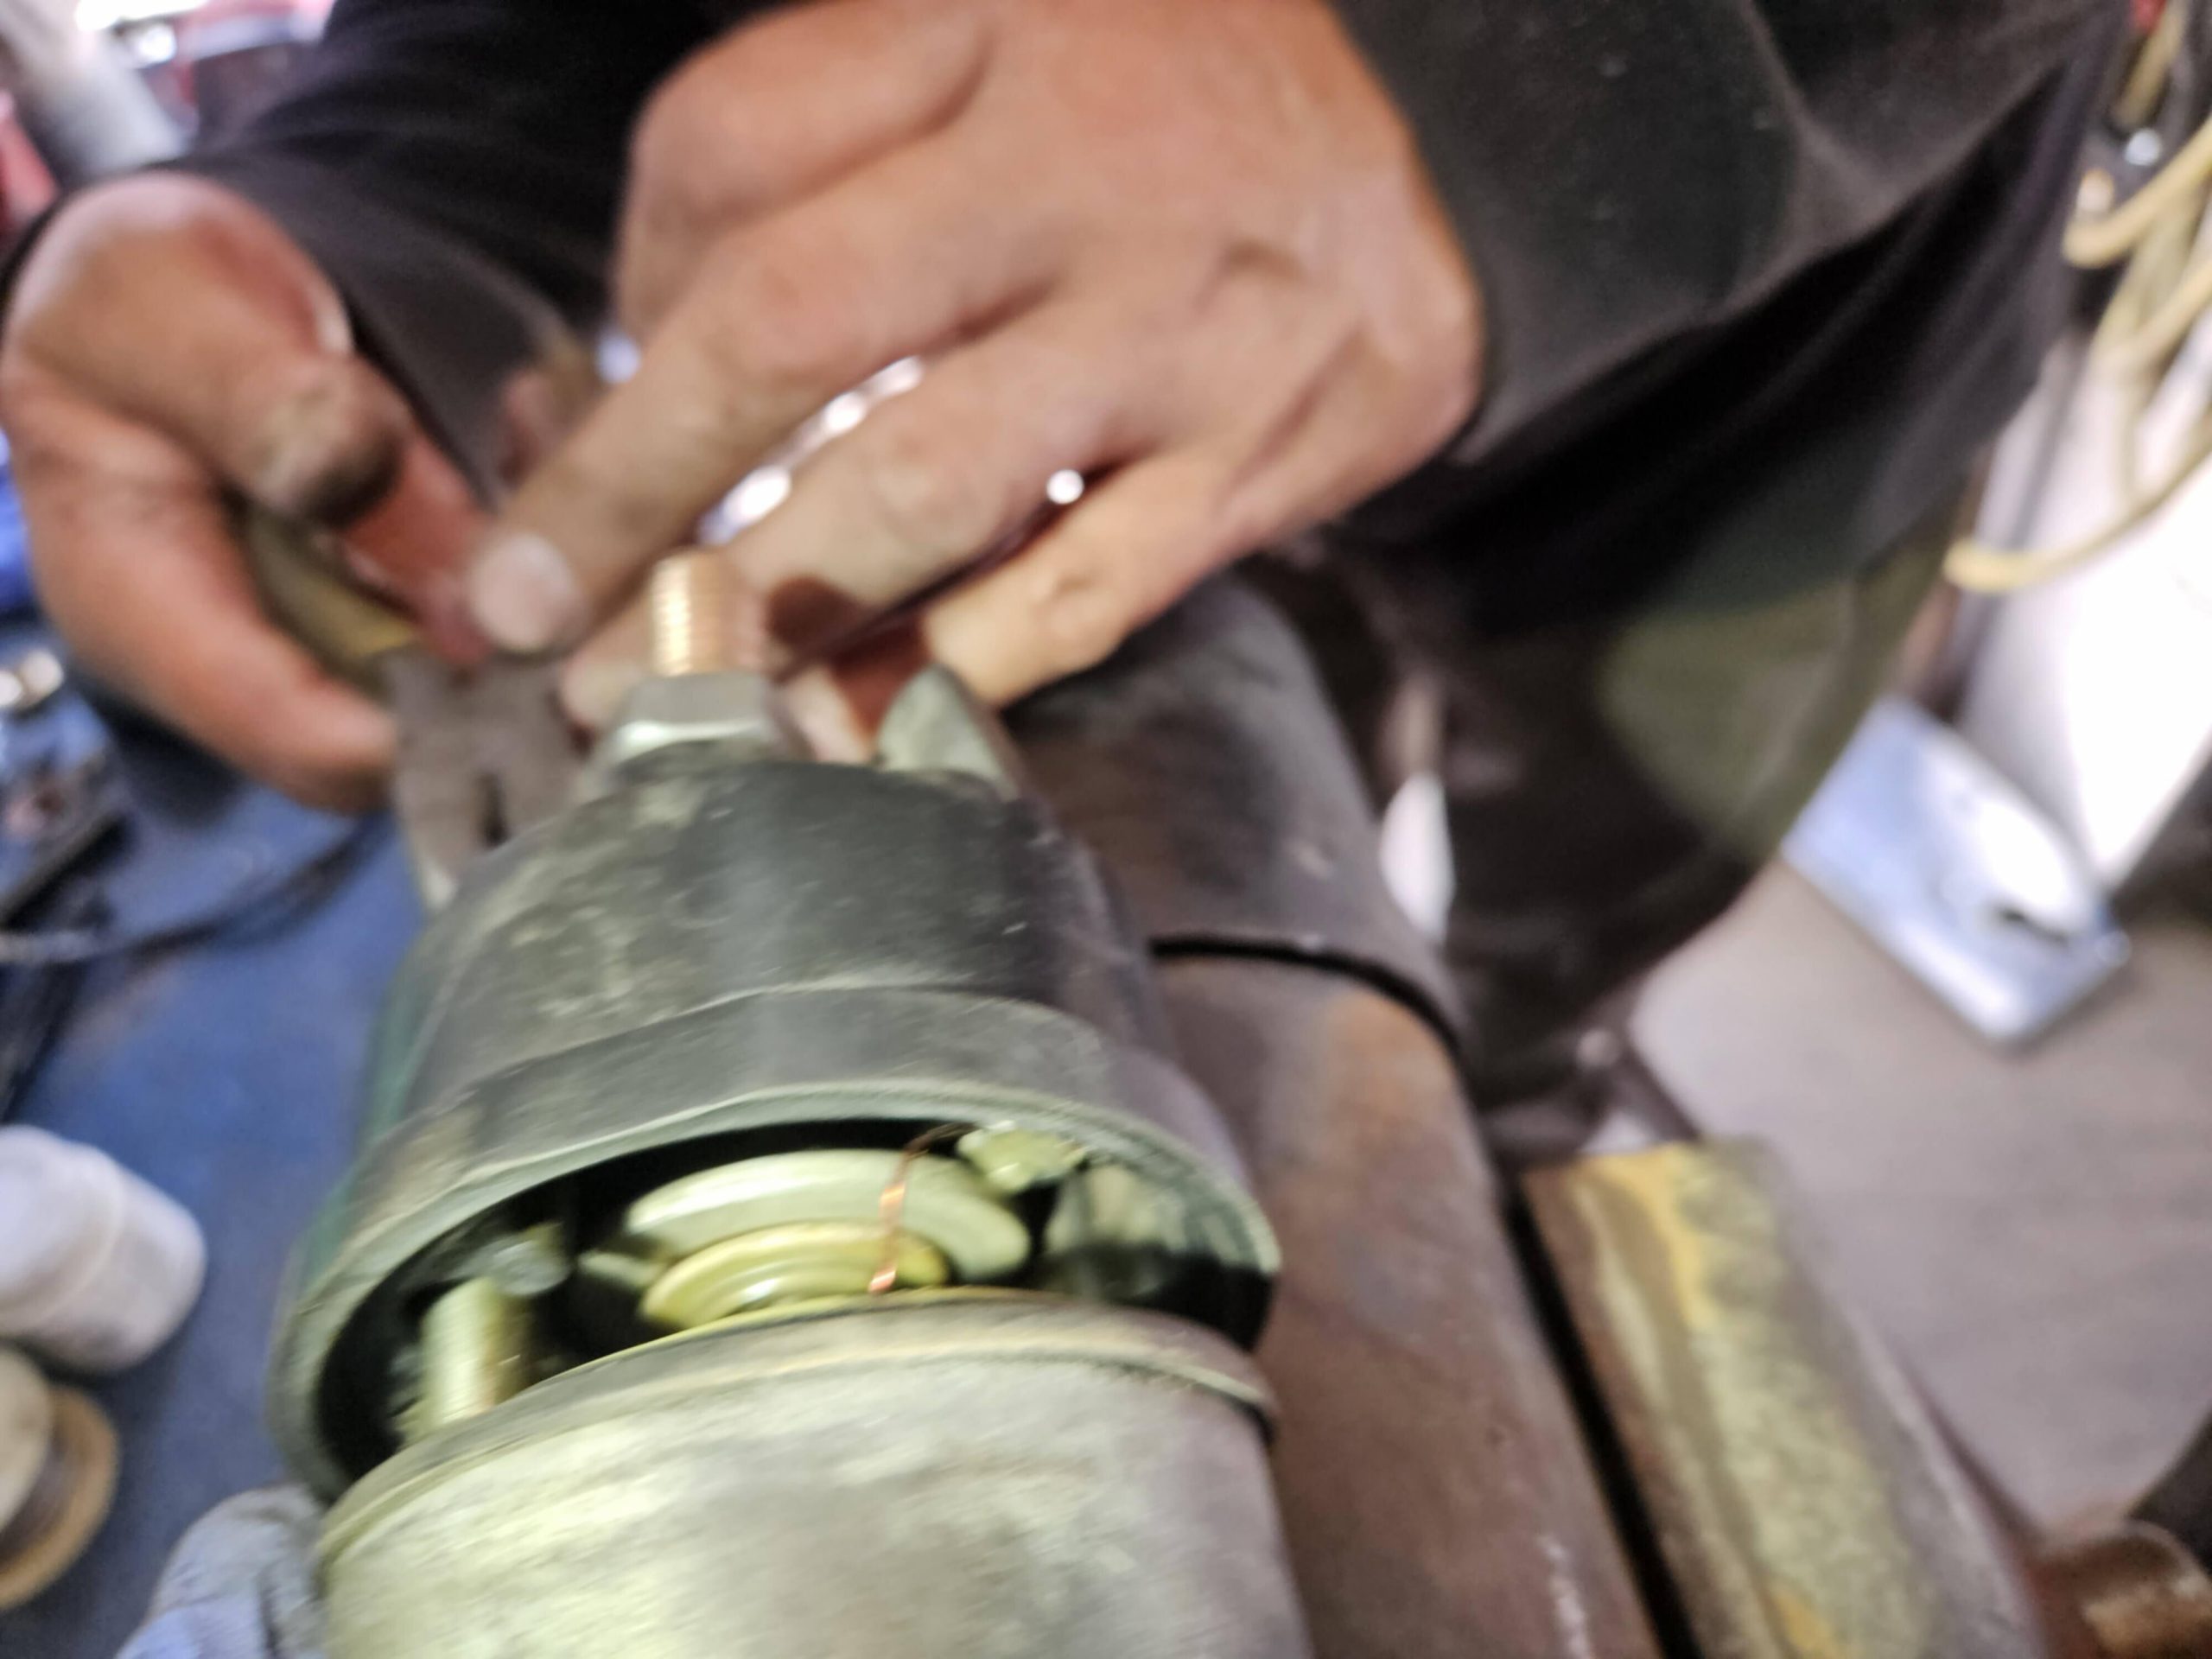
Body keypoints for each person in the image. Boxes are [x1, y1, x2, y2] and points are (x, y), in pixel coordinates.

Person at [0, 0, 2118, 1104]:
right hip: (1135, 423)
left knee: (1603, 861)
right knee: (1262, 817)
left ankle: (1528, 1078)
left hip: (1750, 406)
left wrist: (1540, 73)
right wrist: (370, 199)